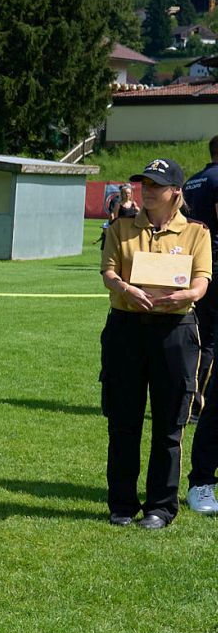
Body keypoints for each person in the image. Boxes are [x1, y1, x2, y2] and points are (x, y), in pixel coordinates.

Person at [98, 157, 212, 527]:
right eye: (144, 184)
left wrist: (188, 295)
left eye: (156, 185)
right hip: (126, 329)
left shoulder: (196, 232)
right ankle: (122, 505)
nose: (147, 191)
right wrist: (125, 288)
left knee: (169, 425)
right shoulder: (121, 227)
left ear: (176, 191)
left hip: (176, 331)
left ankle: (161, 508)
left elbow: (202, 280)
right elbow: (108, 272)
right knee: (123, 422)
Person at [183, 136, 218, 516]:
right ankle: (203, 480)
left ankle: (191, 403)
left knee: (203, 344)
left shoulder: (193, 180)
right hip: (214, 274)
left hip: (203, 276)